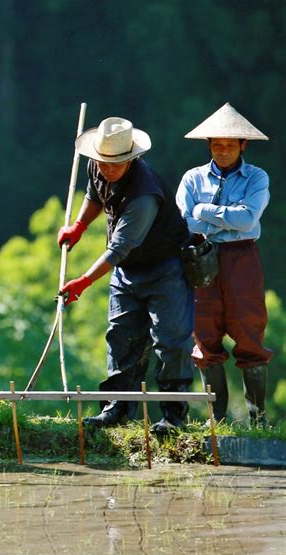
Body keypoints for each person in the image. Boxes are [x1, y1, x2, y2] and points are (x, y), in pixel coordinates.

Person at [57, 117, 194, 434]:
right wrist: (79, 226)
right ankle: (115, 408)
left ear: (131, 159)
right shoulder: (98, 166)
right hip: (127, 271)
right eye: (102, 162)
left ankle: (173, 416)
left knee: (170, 340)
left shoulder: (144, 195)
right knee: (120, 336)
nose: (106, 169)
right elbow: (95, 193)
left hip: (166, 268)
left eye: (114, 165)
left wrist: (84, 281)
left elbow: (119, 248)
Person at [176, 102, 272, 427]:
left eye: (230, 145)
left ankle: (258, 420)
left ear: (243, 145)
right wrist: (222, 220)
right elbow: (183, 222)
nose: (223, 151)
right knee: (204, 334)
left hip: (242, 259)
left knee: (249, 332)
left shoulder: (257, 177)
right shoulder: (191, 178)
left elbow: (247, 219)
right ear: (209, 145)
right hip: (200, 258)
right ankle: (216, 420)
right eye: (217, 145)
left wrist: (204, 212)